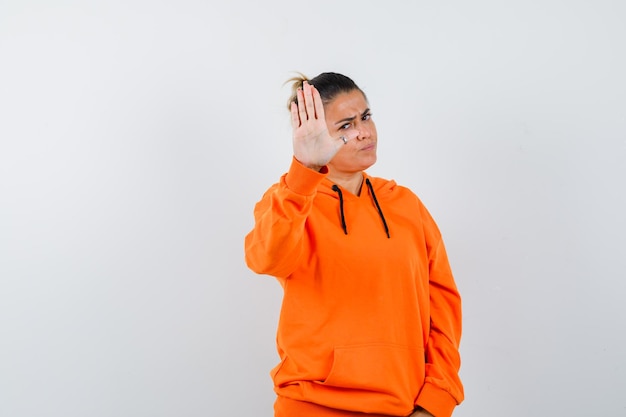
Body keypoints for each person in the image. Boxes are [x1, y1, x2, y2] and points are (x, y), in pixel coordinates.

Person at [244, 72, 464, 417]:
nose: (363, 132)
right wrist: (305, 169)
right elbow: (265, 259)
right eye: (345, 125)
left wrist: (435, 401)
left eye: (366, 117)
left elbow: (443, 307)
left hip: (403, 406)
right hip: (312, 404)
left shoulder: (405, 204)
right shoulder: (290, 200)